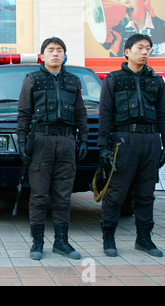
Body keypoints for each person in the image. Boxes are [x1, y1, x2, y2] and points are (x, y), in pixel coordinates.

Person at [17, 37, 89, 260]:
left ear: (64, 55)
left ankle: (61, 242)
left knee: (63, 196)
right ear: (43, 55)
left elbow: (80, 113)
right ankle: (37, 243)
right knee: (39, 195)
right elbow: (24, 114)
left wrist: (84, 139)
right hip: (41, 141)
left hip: (67, 141)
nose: (55, 53)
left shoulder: (74, 81)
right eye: (51, 50)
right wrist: (21, 142)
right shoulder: (32, 80)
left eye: (59, 50)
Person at [98, 34, 164, 258]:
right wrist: (103, 148)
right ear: (127, 51)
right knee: (116, 193)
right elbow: (105, 116)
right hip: (124, 141)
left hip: (150, 140)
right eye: (140, 48)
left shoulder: (156, 81)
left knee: (146, 194)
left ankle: (144, 239)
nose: (145, 52)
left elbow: (163, 115)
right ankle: (108, 238)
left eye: (148, 48)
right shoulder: (113, 79)